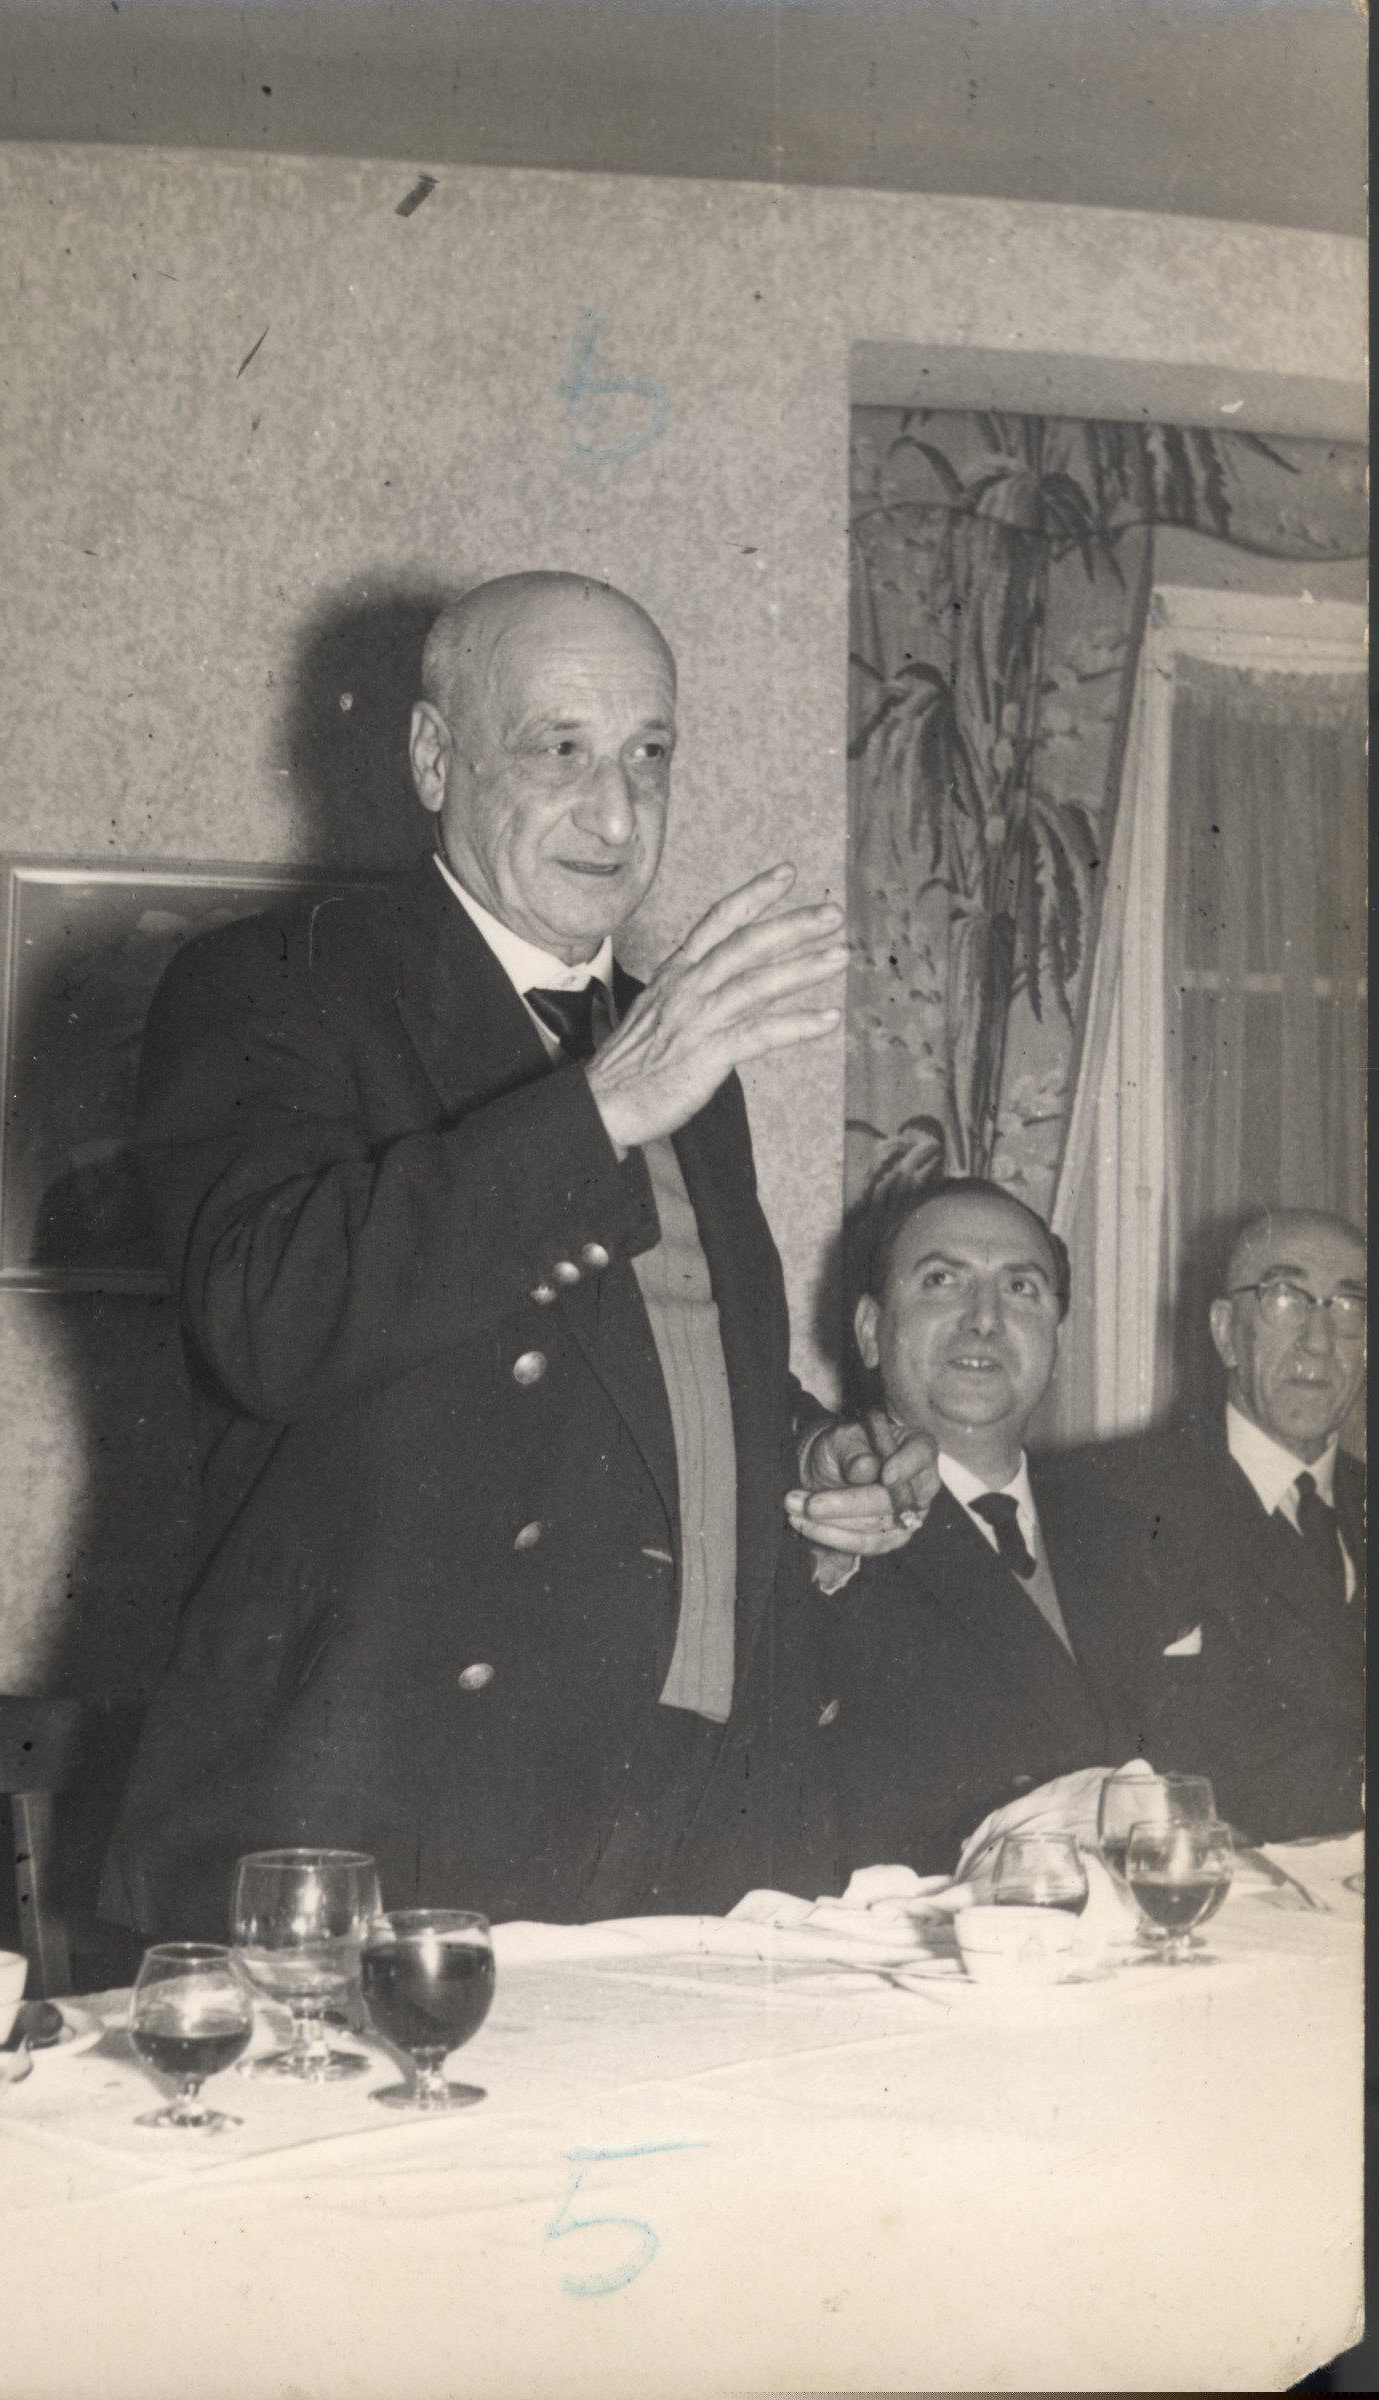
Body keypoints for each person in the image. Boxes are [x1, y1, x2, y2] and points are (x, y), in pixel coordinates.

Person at [100, 570, 930, 1939]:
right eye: (560, 751)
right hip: (401, 1824)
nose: (616, 813)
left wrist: (813, 1456)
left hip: (696, 1819)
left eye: (648, 755)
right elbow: (268, 1319)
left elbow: (656, 1369)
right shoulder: (277, 986)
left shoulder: (675, 1051)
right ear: (435, 759)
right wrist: (600, 1107)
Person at [795, 1177, 1156, 1880]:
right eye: (942, 1280)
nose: (984, 1318)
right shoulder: (825, 1528)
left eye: (1021, 1288)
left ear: (1055, 1337)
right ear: (870, 1331)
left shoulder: (1126, 1531)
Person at [1074, 1208, 1365, 1842]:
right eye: (1285, 1299)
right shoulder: (1114, 1498)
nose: (1319, 1341)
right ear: (1227, 1332)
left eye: (1348, 1307)